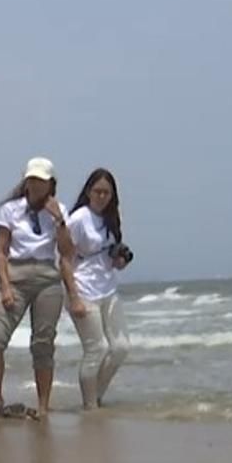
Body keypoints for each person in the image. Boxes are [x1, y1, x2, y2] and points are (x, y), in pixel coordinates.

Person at [0, 157, 80, 417]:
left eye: (41, 181)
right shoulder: (11, 210)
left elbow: (67, 252)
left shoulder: (59, 210)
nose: (35, 186)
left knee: (43, 343)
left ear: (51, 184)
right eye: (32, 180)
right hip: (16, 273)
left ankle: (43, 405)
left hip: (47, 276)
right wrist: (4, 286)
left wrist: (59, 220)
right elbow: (0, 251)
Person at [65, 168, 133, 409]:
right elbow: (63, 259)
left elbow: (110, 256)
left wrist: (120, 260)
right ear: (88, 191)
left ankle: (96, 395)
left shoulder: (110, 219)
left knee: (121, 347)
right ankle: (90, 406)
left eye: (107, 192)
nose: (102, 196)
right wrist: (73, 297)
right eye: (98, 191)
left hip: (108, 288)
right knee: (97, 348)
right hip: (83, 290)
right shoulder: (78, 219)